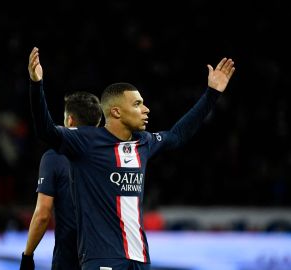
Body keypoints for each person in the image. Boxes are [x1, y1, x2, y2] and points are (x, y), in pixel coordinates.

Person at [28, 46, 235, 270]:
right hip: (102, 259)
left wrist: (211, 94)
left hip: (139, 259)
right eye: (137, 104)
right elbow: (45, 130)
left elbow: (177, 135)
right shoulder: (86, 141)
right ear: (116, 111)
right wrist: (36, 84)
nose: (146, 109)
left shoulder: (144, 142)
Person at [20, 91, 103, 270]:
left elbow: (42, 214)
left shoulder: (54, 156)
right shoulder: (114, 152)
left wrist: (27, 255)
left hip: (69, 259)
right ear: (98, 121)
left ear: (70, 120)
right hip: (109, 256)